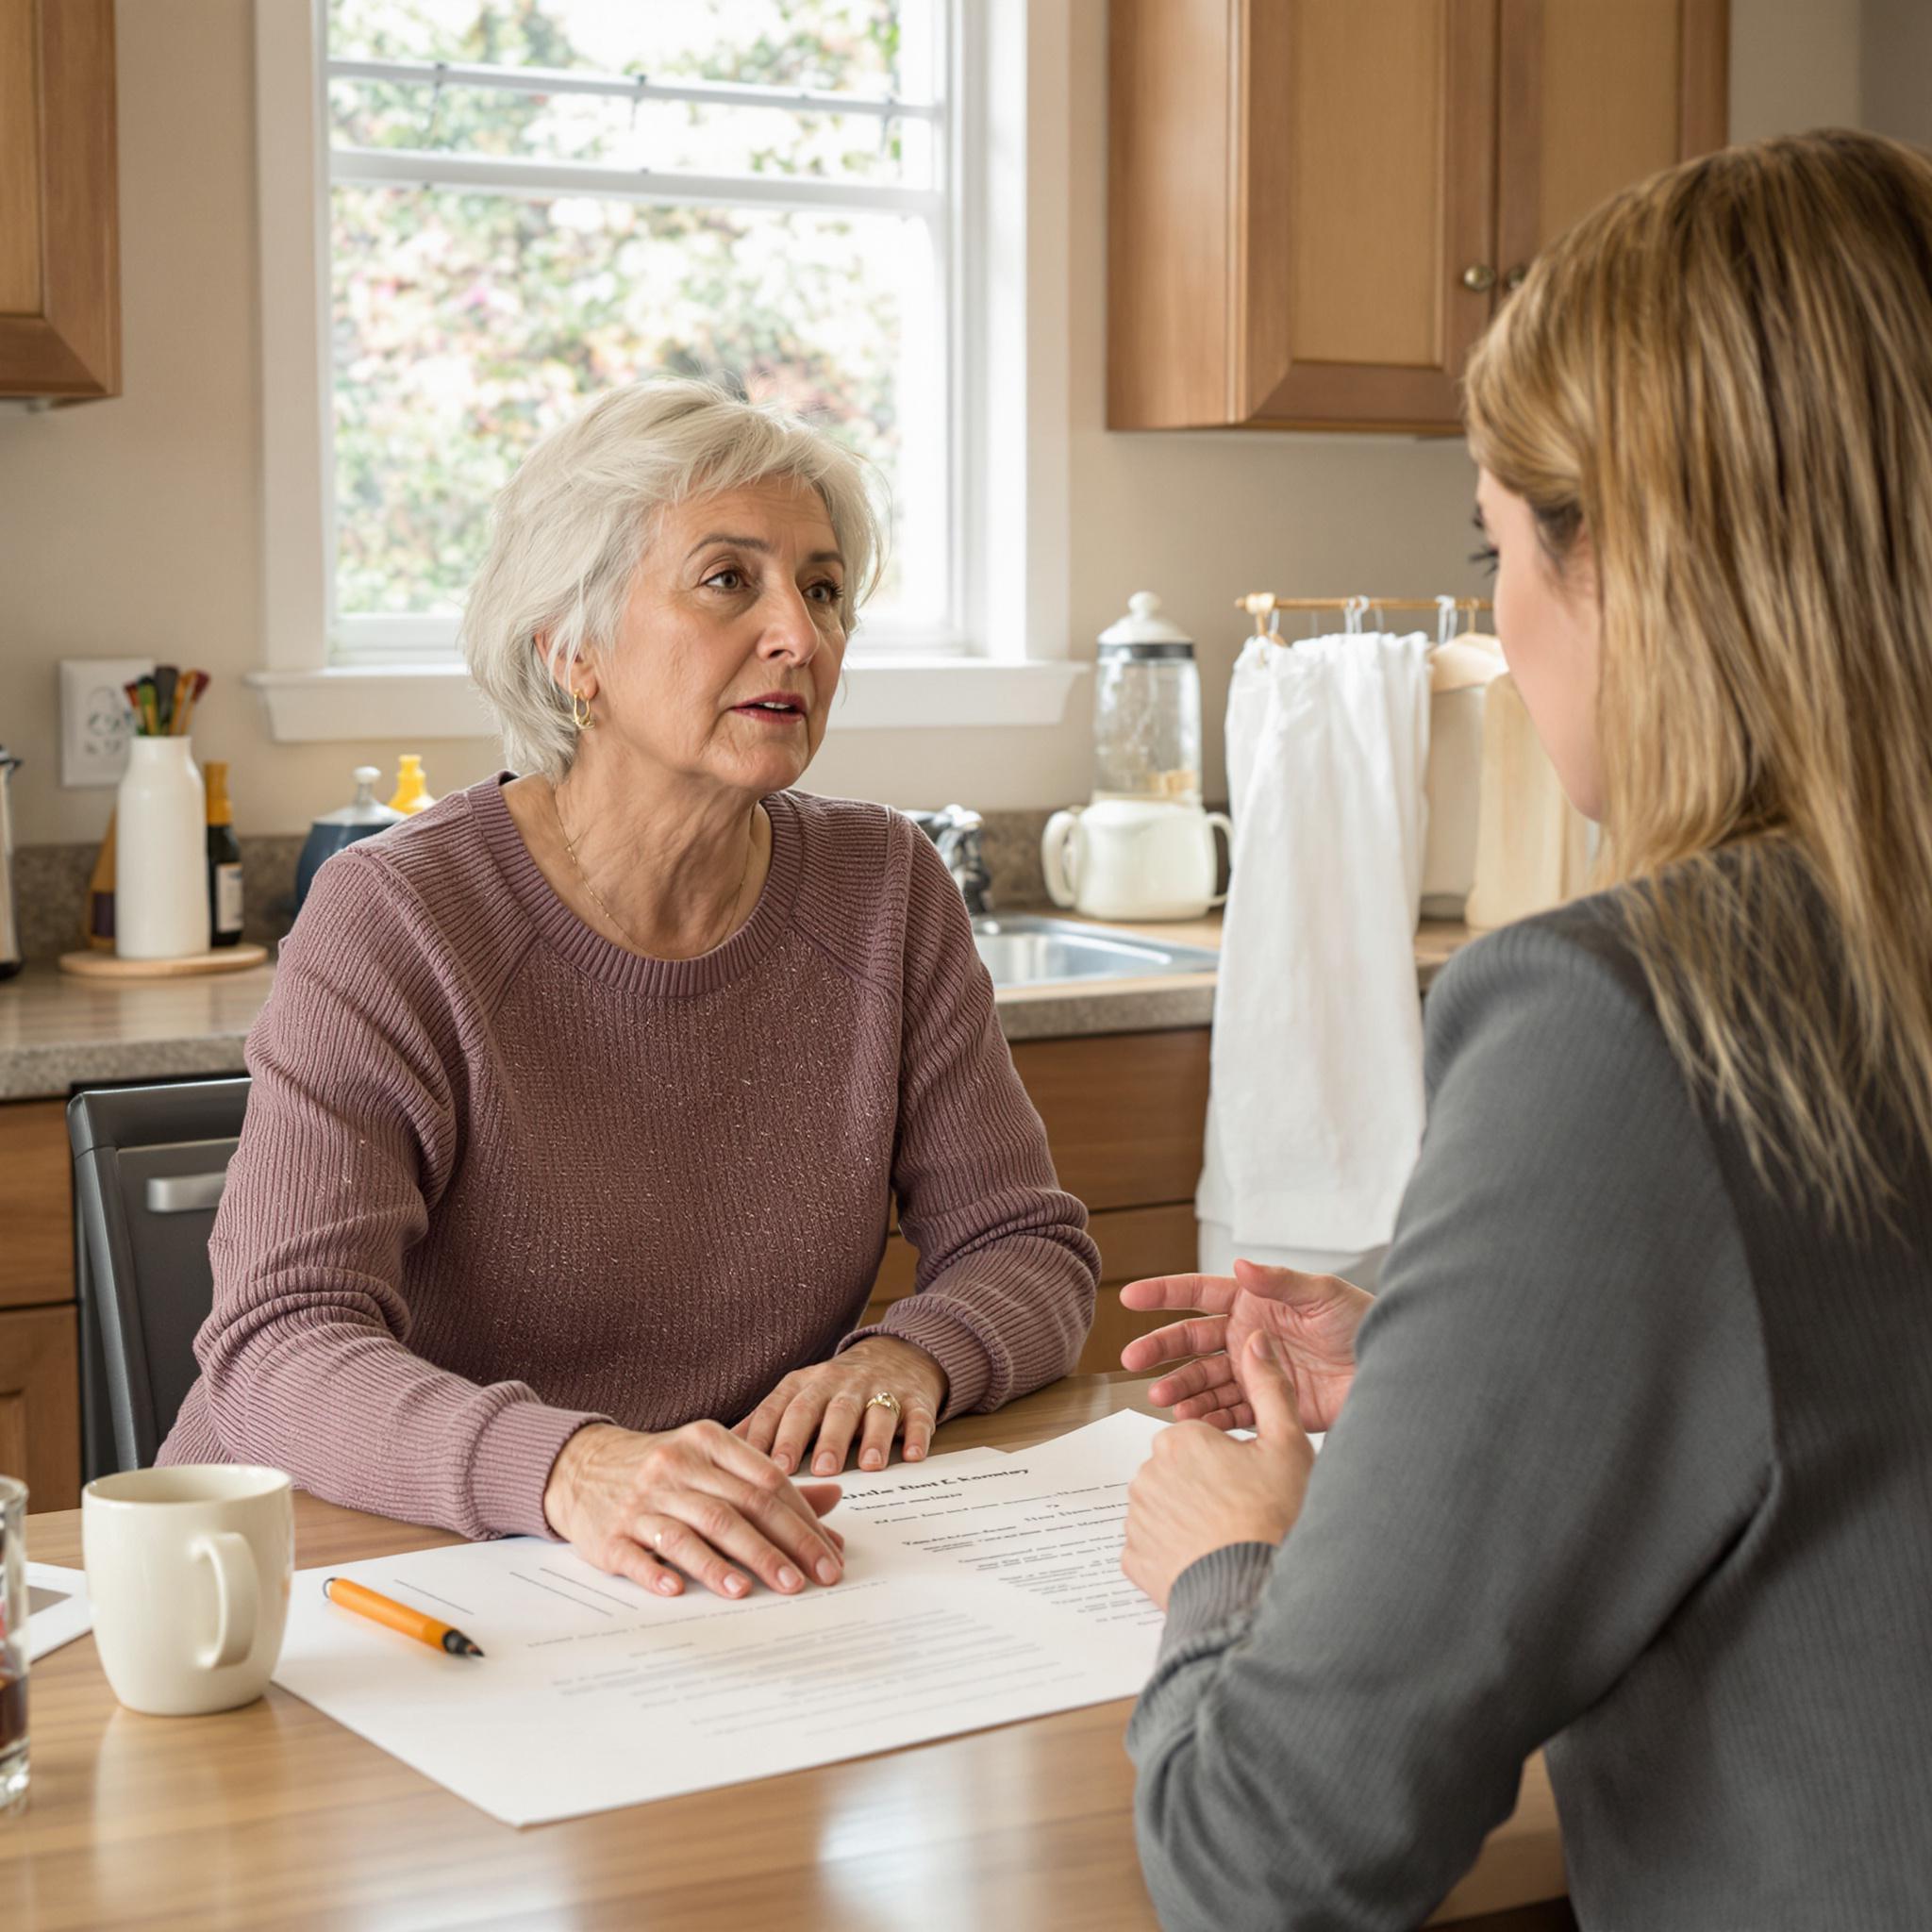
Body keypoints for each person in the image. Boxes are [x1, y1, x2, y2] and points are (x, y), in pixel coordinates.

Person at [1117, 130, 1932, 1929]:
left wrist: (1232, 1565)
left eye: (1494, 546)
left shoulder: (1632, 1018)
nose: (1502, 615)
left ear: (1636, 572)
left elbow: (1269, 1864)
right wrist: (1461, 1363)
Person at [159, 380, 1098, 1605]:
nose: (799, 638)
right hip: (373, 1580)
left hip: (700, 1580)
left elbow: (1025, 1245)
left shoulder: (885, 887)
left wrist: (912, 1356)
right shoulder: (397, 915)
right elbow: (276, 1353)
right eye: (729, 581)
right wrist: (569, 1467)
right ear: (571, 647)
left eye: (821, 590)